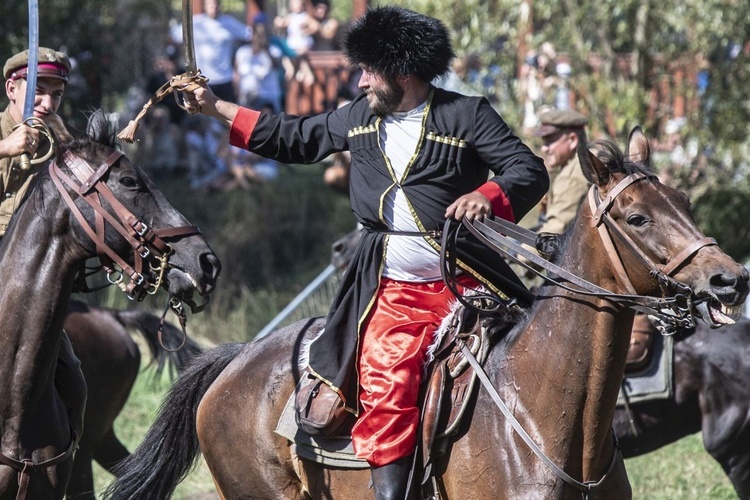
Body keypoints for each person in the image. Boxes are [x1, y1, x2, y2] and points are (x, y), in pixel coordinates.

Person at [181, 7, 548, 498]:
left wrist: (488, 196)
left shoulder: (467, 114)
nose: (359, 82)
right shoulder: (358, 118)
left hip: (471, 283)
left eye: (369, 71)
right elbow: (294, 138)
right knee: (390, 377)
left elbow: (528, 170)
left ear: (403, 71)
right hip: (394, 295)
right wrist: (214, 107)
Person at [0, 46, 86, 446]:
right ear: (11, 88)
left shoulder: (61, 140)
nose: (47, 102)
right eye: (38, 90)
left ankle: (60, 468)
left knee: (74, 384)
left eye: (56, 94)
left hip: (34, 288)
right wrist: (5, 149)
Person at [171, 0, 252, 103]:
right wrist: (184, 57)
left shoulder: (228, 23)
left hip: (225, 79)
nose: (212, 7)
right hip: (203, 80)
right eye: (209, 4)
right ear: (205, 6)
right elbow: (174, 37)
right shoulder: (196, 23)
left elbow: (249, 35)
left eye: (215, 4)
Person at [532, 108, 590, 235]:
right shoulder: (586, 160)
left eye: (549, 140)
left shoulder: (573, 176)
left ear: (572, 140)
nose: (544, 148)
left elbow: (553, 233)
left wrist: (516, 254)